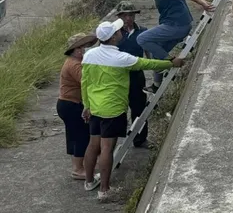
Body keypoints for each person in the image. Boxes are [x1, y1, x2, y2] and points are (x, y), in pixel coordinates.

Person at [81, 20, 185, 200]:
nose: (121, 31)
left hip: (95, 106)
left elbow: (85, 83)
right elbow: (148, 64)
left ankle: (89, 181)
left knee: (93, 145)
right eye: (117, 30)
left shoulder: (89, 55)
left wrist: (87, 105)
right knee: (107, 148)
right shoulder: (122, 59)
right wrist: (171, 63)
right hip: (112, 109)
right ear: (113, 37)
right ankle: (104, 190)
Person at [122, 0, 212, 88]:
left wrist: (202, 2)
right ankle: (156, 85)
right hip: (177, 25)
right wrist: (202, 0)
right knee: (156, 54)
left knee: (141, 38)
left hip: (176, 26)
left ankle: (171, 61)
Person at [57, 32, 97, 180]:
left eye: (84, 47)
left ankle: (80, 166)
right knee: (80, 136)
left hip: (68, 104)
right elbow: (86, 80)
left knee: (75, 135)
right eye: (79, 48)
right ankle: (78, 169)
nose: (83, 50)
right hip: (71, 104)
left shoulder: (75, 62)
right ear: (74, 50)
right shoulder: (74, 64)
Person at [116, 0, 149, 148]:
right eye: (124, 16)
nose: (128, 19)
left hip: (136, 75)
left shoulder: (143, 31)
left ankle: (140, 139)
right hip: (117, 77)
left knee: (139, 108)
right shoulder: (113, 34)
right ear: (119, 17)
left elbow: (149, 54)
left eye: (131, 15)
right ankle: (114, 140)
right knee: (117, 110)